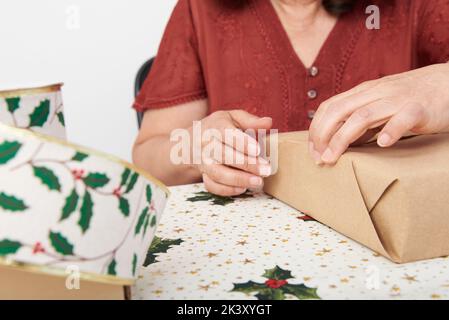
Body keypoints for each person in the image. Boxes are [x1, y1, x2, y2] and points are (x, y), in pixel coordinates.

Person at [133, 0, 449, 195]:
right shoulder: (200, 9)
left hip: (391, 236)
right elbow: (149, 158)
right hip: (249, 248)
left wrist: (438, 83)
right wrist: (197, 150)